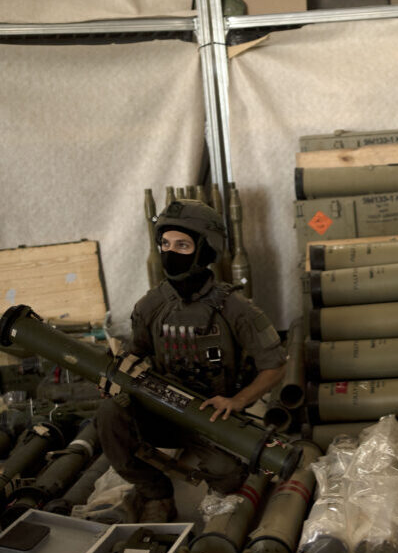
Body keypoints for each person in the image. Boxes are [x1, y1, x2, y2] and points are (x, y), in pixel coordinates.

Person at [95, 199, 287, 522]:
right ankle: (155, 493)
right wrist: (116, 378)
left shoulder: (235, 308)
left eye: (182, 245)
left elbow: (276, 364)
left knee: (230, 474)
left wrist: (237, 401)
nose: (170, 252)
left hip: (210, 416)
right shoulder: (150, 306)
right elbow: (136, 353)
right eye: (166, 244)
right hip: (159, 410)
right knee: (109, 417)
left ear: (206, 249)